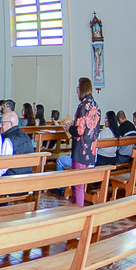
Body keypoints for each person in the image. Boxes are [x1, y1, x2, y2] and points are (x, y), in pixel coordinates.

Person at [58, 77, 100, 206]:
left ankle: (78, 211)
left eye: (77, 89)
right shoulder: (95, 105)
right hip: (91, 149)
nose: (76, 92)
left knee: (78, 185)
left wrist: (69, 127)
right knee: (81, 184)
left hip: (81, 150)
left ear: (82, 89)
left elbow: (80, 131)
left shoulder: (83, 106)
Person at [0, 110, 35, 175]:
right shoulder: (26, 136)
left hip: (11, 178)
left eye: (2, 123)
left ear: (11, 124)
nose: (0, 126)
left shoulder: (9, 140)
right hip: (27, 176)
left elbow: (3, 167)